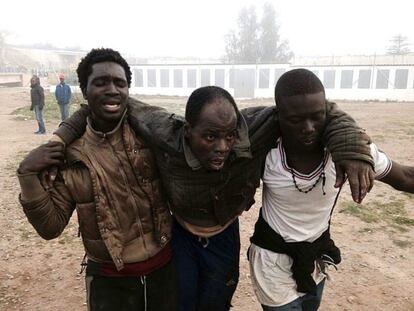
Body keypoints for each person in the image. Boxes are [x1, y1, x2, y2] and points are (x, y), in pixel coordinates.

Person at [54, 82, 374, 310]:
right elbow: (108, 103)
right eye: (209, 136)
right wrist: (59, 138)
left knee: (216, 300)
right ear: (188, 129)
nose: (222, 147)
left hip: (224, 233)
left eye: (229, 136)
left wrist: (354, 149)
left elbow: (320, 110)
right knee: (182, 300)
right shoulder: (165, 131)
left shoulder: (254, 128)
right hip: (180, 234)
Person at [17, 48, 177, 311]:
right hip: (110, 283)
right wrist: (26, 175)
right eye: (100, 82)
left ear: (128, 90)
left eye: (120, 83)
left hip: (166, 271)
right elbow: (50, 227)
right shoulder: (72, 155)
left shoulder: (150, 136)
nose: (112, 89)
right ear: (84, 89)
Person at [248, 68, 414, 311]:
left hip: (316, 256)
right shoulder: (267, 153)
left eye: (317, 116)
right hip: (272, 262)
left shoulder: (349, 152)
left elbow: (405, 176)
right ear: (279, 116)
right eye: (295, 119)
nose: (308, 127)